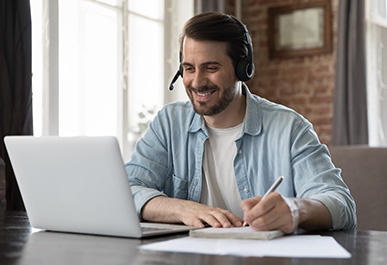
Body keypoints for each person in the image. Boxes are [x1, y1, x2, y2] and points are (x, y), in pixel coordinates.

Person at [126, 11, 356, 234]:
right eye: (189, 68)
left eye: (211, 68)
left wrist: (295, 210)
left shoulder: (290, 128)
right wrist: (180, 208)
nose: (197, 81)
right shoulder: (169, 122)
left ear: (242, 69)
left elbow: (340, 204)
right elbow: (127, 189)